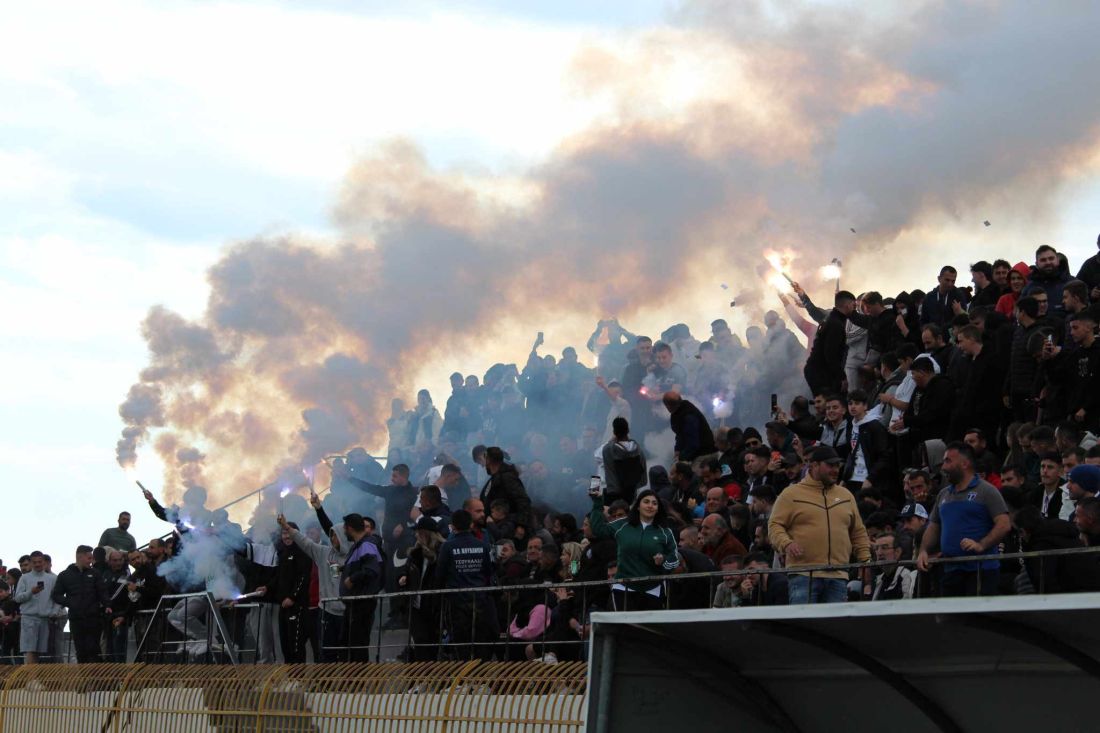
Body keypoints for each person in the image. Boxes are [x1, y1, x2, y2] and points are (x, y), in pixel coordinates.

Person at [768, 446, 872, 604]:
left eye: (837, 465)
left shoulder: (846, 495)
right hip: (804, 574)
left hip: (838, 575)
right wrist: (786, 544)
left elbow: (858, 532)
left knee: (834, 628)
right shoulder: (791, 494)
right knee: (805, 626)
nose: (835, 470)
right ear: (814, 465)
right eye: (830, 465)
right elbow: (774, 525)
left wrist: (866, 562)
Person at [917, 442, 1011, 596]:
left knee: (977, 618)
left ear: (964, 464)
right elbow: (933, 526)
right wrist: (923, 551)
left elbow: (1004, 524)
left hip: (981, 570)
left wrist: (981, 544)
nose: (943, 467)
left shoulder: (986, 490)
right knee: (950, 618)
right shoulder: (944, 494)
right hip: (951, 569)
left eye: (948, 461)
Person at [588, 489, 679, 611]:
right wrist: (598, 502)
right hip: (623, 587)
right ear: (637, 506)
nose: (650, 506)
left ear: (658, 509)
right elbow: (598, 529)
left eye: (654, 503)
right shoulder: (623, 525)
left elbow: (674, 559)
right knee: (622, 629)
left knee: (647, 630)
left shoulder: (665, 532)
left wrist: (663, 560)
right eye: (646, 502)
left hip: (652, 589)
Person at [279, 504, 346, 662]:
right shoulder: (322, 552)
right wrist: (286, 527)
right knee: (323, 652)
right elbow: (305, 543)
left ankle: (348, 684)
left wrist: (319, 509)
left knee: (343, 652)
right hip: (324, 610)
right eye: (331, 536)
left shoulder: (350, 555)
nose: (333, 538)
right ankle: (322, 684)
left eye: (336, 535)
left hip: (344, 611)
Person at [436, 509, 497, 660]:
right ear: (471, 524)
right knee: (479, 640)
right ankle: (479, 678)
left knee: (460, 642)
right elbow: (489, 572)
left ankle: (463, 679)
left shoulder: (447, 547)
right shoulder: (482, 546)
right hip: (480, 601)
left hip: (456, 602)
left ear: (453, 526)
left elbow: (439, 575)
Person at [51, 545, 109, 663]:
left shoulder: (95, 573)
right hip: (76, 618)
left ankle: (96, 679)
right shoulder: (65, 575)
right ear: (80, 557)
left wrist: (108, 605)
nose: (91, 561)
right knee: (81, 650)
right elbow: (56, 595)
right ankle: (84, 679)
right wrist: (70, 603)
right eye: (89, 558)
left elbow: (103, 592)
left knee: (93, 649)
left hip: (94, 618)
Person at [398, 516, 445, 662]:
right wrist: (403, 577)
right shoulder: (415, 554)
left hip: (433, 607)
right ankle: (421, 679)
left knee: (433, 645)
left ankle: (433, 680)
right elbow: (405, 571)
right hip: (416, 606)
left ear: (425, 534)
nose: (415, 535)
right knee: (419, 644)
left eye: (418, 532)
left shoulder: (442, 552)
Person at [340, 513, 383, 662]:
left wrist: (352, 578)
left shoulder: (367, 544)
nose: (344, 532)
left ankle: (359, 681)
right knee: (349, 642)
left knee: (358, 644)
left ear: (350, 528)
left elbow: (372, 570)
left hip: (362, 604)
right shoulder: (358, 546)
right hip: (354, 604)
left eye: (345, 529)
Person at [803, 290, 856, 396]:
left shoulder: (832, 319)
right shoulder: (835, 324)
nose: (855, 308)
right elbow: (831, 354)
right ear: (847, 305)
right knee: (829, 402)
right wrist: (841, 377)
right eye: (854, 305)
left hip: (817, 369)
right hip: (821, 372)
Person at [14, 551, 56, 664]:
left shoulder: (52, 579)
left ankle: (33, 678)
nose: (37, 564)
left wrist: (54, 611)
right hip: (29, 618)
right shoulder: (24, 578)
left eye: (40, 562)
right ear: (31, 563)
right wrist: (30, 592)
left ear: (44, 562)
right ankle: (30, 679)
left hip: (44, 618)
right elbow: (17, 598)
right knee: (30, 650)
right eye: (34, 562)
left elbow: (56, 598)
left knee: (38, 652)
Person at [480, 447, 533, 530]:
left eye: (484, 459)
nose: (483, 464)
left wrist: (521, 525)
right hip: (495, 527)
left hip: (507, 527)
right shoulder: (494, 478)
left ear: (488, 460)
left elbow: (523, 500)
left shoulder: (507, 477)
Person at [601, 417, 648, 504]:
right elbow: (643, 472)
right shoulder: (638, 449)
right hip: (631, 493)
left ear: (614, 432)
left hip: (613, 494)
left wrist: (610, 441)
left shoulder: (608, 449)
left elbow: (598, 456)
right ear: (628, 430)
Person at [662, 391, 716, 461]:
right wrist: (677, 449)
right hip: (695, 451)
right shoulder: (678, 411)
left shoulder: (689, 417)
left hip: (704, 453)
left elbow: (693, 444)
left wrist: (681, 458)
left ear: (668, 406)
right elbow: (680, 433)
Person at [870, 532, 916, 600]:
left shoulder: (906, 576)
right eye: (876, 548)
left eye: (884, 548)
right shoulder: (879, 579)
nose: (879, 553)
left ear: (897, 552)